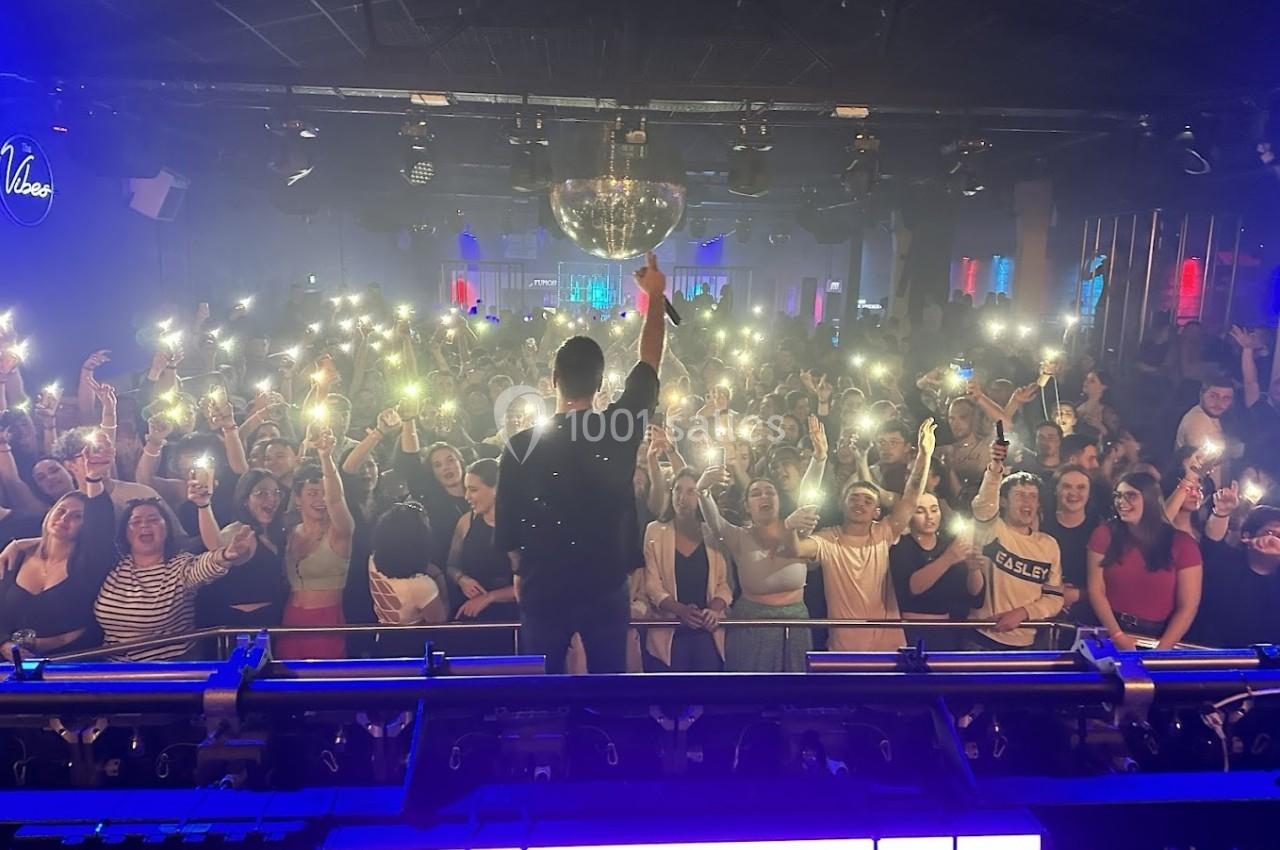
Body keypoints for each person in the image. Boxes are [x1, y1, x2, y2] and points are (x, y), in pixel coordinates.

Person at [496, 251, 665, 674]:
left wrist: (521, 572)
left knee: (541, 688)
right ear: (600, 382)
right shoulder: (619, 427)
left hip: (542, 586)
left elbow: (510, 525)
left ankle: (544, 738)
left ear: (553, 380)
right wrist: (656, 297)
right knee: (607, 685)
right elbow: (649, 363)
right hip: (605, 584)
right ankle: (607, 739)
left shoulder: (520, 444)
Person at [784, 418, 936, 652]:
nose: (860, 504)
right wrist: (791, 525)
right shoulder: (827, 540)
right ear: (842, 504)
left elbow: (912, 494)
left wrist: (924, 455)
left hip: (890, 645)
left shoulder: (884, 532)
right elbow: (794, 550)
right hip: (845, 646)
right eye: (853, 498)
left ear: (877, 511)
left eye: (867, 501)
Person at [94, 497, 258, 661]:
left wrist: (226, 555)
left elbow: (204, 566)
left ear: (167, 529)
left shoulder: (179, 565)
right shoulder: (114, 564)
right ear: (125, 532)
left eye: (153, 520)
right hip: (113, 671)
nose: (144, 525)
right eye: (136, 522)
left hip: (169, 670)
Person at [0, 446, 116, 658]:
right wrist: (4, 644)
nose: (64, 519)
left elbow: (102, 520)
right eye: (61, 511)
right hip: (12, 664)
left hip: (74, 661)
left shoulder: (90, 560)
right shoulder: (16, 557)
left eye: (77, 516)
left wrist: (92, 478)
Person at [700, 473, 812, 672]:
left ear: (779, 500)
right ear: (747, 506)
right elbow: (716, 524)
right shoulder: (739, 536)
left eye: (770, 492)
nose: (764, 497)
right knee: (749, 689)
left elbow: (807, 499)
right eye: (756, 494)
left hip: (795, 621)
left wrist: (819, 458)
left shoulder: (796, 530)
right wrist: (703, 491)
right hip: (751, 621)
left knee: (793, 690)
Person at [1086, 472, 1202, 650]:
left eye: (1130, 495)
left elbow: (1188, 606)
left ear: (1150, 499)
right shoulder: (1104, 534)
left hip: (1155, 635)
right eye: (1117, 496)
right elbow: (1096, 589)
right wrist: (1117, 635)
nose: (1121, 502)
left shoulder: (1182, 543)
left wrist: (1162, 650)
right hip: (1108, 627)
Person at [968, 441, 1065, 650]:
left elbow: (1054, 599)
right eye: (1020, 496)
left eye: (1032, 497)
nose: (1027, 503)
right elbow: (984, 505)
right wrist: (995, 467)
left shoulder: (1049, 546)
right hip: (983, 638)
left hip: (1026, 644)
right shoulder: (992, 529)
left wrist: (1023, 613)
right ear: (1003, 502)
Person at [642, 469, 733, 672]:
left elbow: (723, 584)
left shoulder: (713, 533)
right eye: (677, 490)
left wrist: (714, 610)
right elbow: (652, 584)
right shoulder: (655, 531)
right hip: (668, 626)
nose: (682, 498)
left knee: (706, 694)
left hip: (706, 627)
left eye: (691, 491)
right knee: (671, 696)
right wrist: (680, 610)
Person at [276, 431, 356, 659]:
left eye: (323, 493)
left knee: (322, 688)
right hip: (290, 620)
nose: (320, 500)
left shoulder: (341, 531)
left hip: (326, 621)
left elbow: (335, 499)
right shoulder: (290, 531)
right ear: (298, 499)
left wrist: (326, 458)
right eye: (312, 493)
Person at [192, 469, 290, 635]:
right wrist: (204, 505)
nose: (272, 499)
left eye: (276, 493)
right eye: (262, 493)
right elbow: (215, 546)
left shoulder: (276, 532)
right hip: (240, 625)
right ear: (245, 500)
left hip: (272, 622)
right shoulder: (238, 531)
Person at [888, 492, 984, 651]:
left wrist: (974, 569)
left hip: (946, 631)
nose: (929, 516)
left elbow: (976, 597)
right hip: (909, 631)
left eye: (934, 510)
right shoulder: (901, 547)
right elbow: (912, 588)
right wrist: (948, 558)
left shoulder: (949, 545)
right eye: (920, 511)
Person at [446, 458, 519, 656]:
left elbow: (530, 584)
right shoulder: (466, 522)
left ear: (496, 489)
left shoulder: (518, 528)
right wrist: (462, 579)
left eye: (474, 489)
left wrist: (489, 597)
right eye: (466, 489)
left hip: (511, 621)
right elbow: (451, 565)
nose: (467, 496)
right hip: (471, 615)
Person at [1194, 485, 1280, 646]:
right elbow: (1212, 542)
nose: (1274, 540)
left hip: (1263, 664)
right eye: (1269, 532)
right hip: (1208, 651)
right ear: (1247, 536)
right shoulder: (1227, 561)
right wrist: (1222, 512)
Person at [368, 501, 449, 658]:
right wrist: (440, 579)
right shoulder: (422, 585)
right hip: (414, 647)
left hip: (382, 640)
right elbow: (439, 623)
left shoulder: (372, 560)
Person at [1040, 465, 1098, 627]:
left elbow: (1112, 581)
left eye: (1081, 487)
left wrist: (1080, 594)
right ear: (1055, 490)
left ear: (1089, 493)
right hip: (1038, 609)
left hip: (1085, 615)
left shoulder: (1100, 529)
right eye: (1067, 486)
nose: (1073, 493)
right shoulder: (1040, 523)